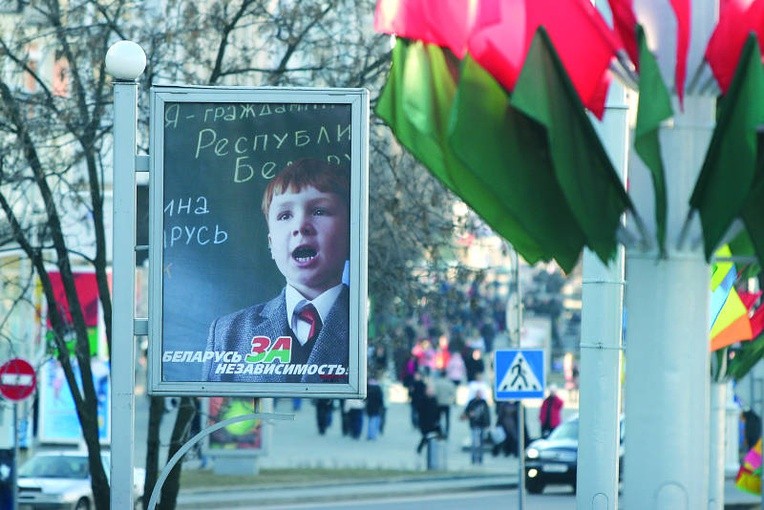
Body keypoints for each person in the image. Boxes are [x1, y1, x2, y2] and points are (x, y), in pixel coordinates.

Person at [203, 159, 350, 383]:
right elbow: (215, 412)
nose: (300, 226)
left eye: (319, 211)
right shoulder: (229, 332)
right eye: (285, 216)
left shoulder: (361, 325)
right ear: (271, 245)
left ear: (351, 234)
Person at [462, 389, 491, 465]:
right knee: (475, 442)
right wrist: (469, 414)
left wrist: (488, 424)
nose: (479, 395)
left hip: (482, 425)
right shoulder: (472, 402)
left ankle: (480, 458)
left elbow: (487, 413)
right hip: (474, 425)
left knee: (481, 443)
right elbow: (466, 412)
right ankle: (474, 458)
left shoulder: (484, 402)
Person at [415, 383, 444, 454]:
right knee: (427, 436)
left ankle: (432, 449)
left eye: (432, 391)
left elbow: (437, 411)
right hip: (424, 422)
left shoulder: (434, 400)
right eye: (430, 391)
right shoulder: (423, 400)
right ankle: (421, 449)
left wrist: (438, 418)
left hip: (433, 422)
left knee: (434, 435)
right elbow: (420, 411)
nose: (431, 392)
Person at [433, 370, 456, 437]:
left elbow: (434, 393)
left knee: (438, 419)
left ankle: (439, 432)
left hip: (438, 403)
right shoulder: (449, 383)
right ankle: (446, 432)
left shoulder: (437, 383)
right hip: (447, 403)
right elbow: (453, 393)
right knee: (447, 419)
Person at [365, 373, 385, 440]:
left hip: (369, 406)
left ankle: (369, 434)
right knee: (375, 420)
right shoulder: (378, 388)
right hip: (376, 407)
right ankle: (373, 435)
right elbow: (380, 398)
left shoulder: (367, 387)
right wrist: (381, 406)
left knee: (371, 420)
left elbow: (366, 398)